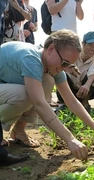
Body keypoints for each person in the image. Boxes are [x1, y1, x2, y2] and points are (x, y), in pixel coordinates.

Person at [0, 30, 94, 161]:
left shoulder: (52, 66)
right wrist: (70, 139)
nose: (65, 68)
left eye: (69, 65)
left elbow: (72, 101)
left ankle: (19, 131)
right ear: (51, 49)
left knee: (47, 80)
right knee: (26, 95)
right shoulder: (31, 59)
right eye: (64, 63)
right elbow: (39, 103)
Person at [0, 0, 30, 166]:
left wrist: (17, 6)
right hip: (5, 47)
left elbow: (27, 17)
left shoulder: (19, 4)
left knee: (22, 90)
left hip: (13, 48)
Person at [56, 31, 94, 109]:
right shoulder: (73, 54)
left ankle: (86, 102)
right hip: (68, 90)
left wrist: (87, 85)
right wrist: (67, 67)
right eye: (90, 45)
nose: (93, 49)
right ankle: (66, 102)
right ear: (83, 44)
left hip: (86, 92)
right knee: (61, 73)